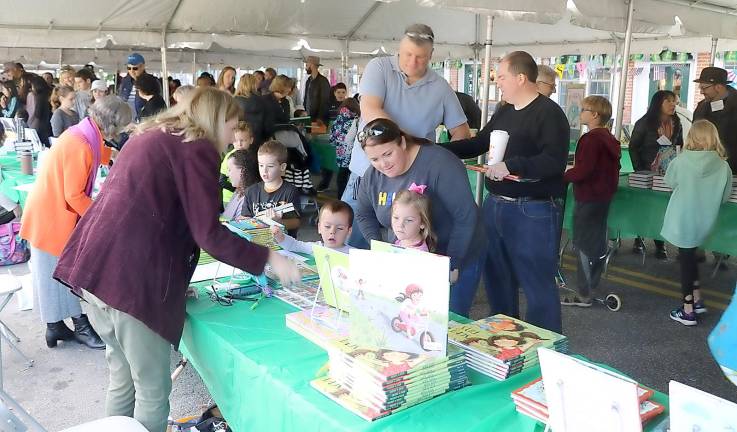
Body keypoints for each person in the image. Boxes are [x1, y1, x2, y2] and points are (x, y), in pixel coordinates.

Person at [53, 88, 300, 432]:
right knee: (153, 390)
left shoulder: (156, 135)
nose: (233, 136)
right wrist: (269, 259)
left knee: (122, 378)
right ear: (217, 119)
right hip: (132, 283)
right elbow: (207, 232)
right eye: (233, 125)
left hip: (97, 273)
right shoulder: (196, 147)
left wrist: (175, 285)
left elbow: (162, 212)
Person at [441, 51, 569, 332]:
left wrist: (512, 165)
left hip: (532, 208)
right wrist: (436, 149)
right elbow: (479, 144)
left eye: (501, 76)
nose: (497, 81)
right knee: (497, 277)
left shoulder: (550, 114)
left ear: (521, 78)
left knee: (536, 282)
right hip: (496, 204)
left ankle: (544, 347)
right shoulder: (504, 111)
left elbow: (553, 162)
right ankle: (504, 340)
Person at [344, 23, 471, 250]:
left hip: (414, 184)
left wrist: (441, 162)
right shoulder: (379, 68)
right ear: (398, 50)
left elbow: (461, 131)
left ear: (432, 55)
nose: (412, 62)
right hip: (368, 174)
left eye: (421, 57)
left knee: (409, 245)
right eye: (408, 54)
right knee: (351, 237)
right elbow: (371, 110)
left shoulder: (440, 87)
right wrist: (409, 144)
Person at [21, 96, 132, 351]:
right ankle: (77, 325)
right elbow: (74, 195)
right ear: (111, 123)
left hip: (51, 210)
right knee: (62, 274)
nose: (124, 130)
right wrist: (101, 218)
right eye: (123, 125)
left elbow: (100, 152)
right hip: (52, 215)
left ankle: (56, 327)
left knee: (54, 274)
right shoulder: (80, 143)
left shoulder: (85, 133)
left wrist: (115, 157)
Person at [356, 118, 484, 316]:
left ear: (403, 142)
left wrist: (454, 262)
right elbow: (363, 213)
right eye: (374, 159)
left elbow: (465, 216)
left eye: (388, 154)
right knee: (407, 318)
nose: (383, 164)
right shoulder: (373, 176)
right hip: (407, 258)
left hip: (455, 252)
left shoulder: (440, 163)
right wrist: (379, 248)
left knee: (449, 320)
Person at [661, 120, 732, 326]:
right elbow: (725, 196)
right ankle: (698, 298)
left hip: (682, 218)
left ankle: (688, 309)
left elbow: (669, 181)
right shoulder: (723, 165)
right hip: (705, 220)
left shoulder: (682, 161)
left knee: (686, 261)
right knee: (690, 257)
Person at [561, 96, 620, 307]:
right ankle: (592, 285)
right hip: (603, 197)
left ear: (595, 114)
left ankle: (584, 293)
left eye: (584, 109)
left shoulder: (590, 139)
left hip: (588, 196)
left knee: (583, 244)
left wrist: (564, 175)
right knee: (596, 242)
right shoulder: (609, 138)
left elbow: (584, 170)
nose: (581, 112)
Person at [629, 90, 683, 260]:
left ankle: (660, 243)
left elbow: (679, 145)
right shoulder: (644, 123)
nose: (673, 104)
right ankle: (639, 239)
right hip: (646, 173)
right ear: (658, 104)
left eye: (674, 101)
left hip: (667, 174)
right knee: (644, 208)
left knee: (661, 210)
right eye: (668, 101)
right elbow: (633, 147)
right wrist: (640, 170)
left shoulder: (677, 122)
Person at [241, 140, 301, 234]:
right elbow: (245, 217)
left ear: (282, 167)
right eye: (261, 165)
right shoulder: (251, 191)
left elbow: (296, 222)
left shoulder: (290, 191)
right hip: (257, 241)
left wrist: (278, 222)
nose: (264, 171)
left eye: (270, 166)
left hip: (283, 243)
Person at [693, 66, 737, 172]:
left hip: (732, 168)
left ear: (718, 87)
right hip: (705, 168)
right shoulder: (701, 108)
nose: (701, 92)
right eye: (700, 88)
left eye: (704, 88)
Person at [271, 199, 354, 254]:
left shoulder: (355, 255)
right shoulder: (316, 248)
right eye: (327, 226)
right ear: (319, 228)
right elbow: (294, 245)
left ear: (349, 231)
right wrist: (280, 237)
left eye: (339, 228)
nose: (332, 231)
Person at [329, 97, 360, 198]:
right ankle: (352, 197)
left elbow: (332, 137)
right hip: (353, 152)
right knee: (353, 176)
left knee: (342, 174)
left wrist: (337, 145)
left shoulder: (337, 120)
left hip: (341, 152)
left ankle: (340, 196)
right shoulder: (356, 120)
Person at [220, 121, 257, 203]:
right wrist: (237, 190)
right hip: (230, 198)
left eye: (243, 140)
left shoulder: (252, 156)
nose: (239, 144)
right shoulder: (230, 158)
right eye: (236, 141)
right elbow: (222, 181)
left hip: (247, 196)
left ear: (251, 140)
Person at [234, 73, 269, 145]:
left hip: (238, 139)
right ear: (254, 84)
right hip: (257, 138)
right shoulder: (262, 100)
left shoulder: (234, 100)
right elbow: (266, 123)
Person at [21, 73, 53, 145]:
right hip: (47, 126)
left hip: (39, 126)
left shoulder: (37, 97)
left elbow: (37, 113)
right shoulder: (48, 94)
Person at [221, 150, 253, 221]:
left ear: (242, 171)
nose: (227, 174)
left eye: (229, 170)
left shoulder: (248, 197)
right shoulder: (238, 191)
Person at [117, 53, 149, 118]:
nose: (131, 71)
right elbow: (120, 98)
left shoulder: (150, 82)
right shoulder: (125, 81)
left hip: (144, 119)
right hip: (126, 119)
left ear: (142, 67)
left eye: (135, 68)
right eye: (129, 68)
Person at [303, 56, 330, 124]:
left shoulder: (323, 81)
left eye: (307, 65)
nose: (305, 67)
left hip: (318, 119)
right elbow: (306, 99)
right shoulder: (308, 80)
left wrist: (320, 117)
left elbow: (325, 101)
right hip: (308, 117)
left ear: (312, 65)